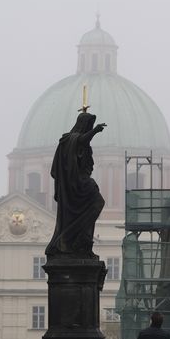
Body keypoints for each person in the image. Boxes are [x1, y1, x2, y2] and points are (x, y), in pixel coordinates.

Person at [45, 110, 106, 258]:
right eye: (89, 125)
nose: (90, 127)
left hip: (82, 185)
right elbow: (81, 140)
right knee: (98, 202)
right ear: (83, 125)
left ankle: (82, 241)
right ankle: (72, 238)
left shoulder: (81, 143)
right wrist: (95, 131)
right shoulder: (70, 140)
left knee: (97, 204)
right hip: (74, 186)